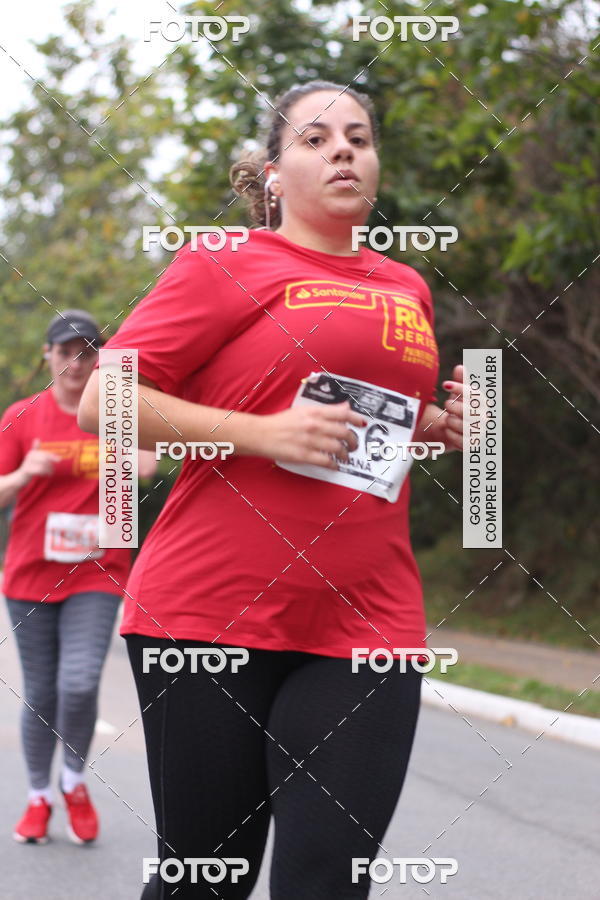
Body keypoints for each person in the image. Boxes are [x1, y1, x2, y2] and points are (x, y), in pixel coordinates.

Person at [79, 81, 465, 898]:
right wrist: (262, 434)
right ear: (275, 175)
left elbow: (361, 422)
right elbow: (101, 401)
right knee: (207, 880)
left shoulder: (408, 286)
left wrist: (436, 426)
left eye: (359, 137)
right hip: (211, 609)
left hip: (368, 611)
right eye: (316, 139)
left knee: (328, 879)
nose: (342, 150)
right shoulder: (225, 261)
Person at [0, 309, 156, 846]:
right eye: (66, 351)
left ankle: (73, 781)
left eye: (88, 353)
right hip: (30, 574)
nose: (76, 362)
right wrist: (24, 473)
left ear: (99, 361)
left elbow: (148, 465)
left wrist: (130, 418)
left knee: (79, 682)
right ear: (48, 355)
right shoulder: (23, 416)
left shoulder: (116, 411)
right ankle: (39, 795)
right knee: (42, 692)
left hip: (98, 570)